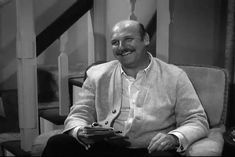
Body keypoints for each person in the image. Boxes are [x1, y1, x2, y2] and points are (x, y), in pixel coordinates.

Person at [42, 20, 209, 157]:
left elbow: (196, 120)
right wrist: (79, 132)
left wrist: (174, 137)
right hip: (103, 147)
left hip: (149, 150)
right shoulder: (97, 74)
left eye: (128, 39)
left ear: (146, 39)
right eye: (115, 42)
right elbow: (78, 114)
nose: (121, 47)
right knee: (58, 143)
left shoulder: (175, 76)